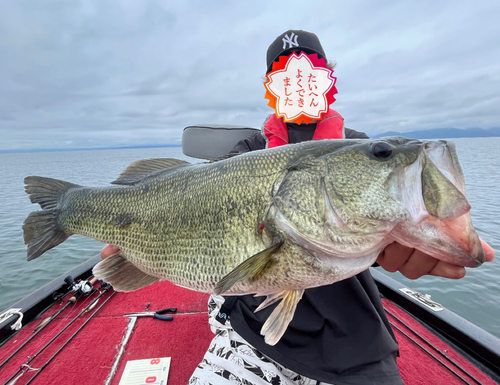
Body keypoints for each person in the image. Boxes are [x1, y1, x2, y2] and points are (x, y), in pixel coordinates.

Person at [101, 30, 495, 385]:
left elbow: (356, 223)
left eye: (309, 70)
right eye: (285, 72)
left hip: (352, 339)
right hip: (249, 326)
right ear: (271, 85)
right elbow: (199, 207)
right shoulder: (248, 153)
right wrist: (141, 239)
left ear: (327, 78)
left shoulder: (356, 145)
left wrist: (393, 240)